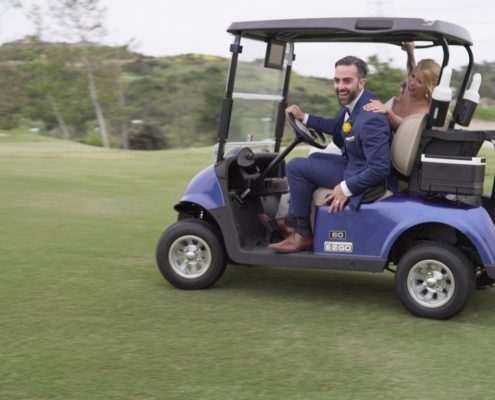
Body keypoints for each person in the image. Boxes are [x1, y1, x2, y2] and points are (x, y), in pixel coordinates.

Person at [268, 56, 392, 253]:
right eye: (337, 80)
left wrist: (346, 188)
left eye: (347, 81)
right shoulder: (353, 104)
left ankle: (301, 234)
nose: (340, 86)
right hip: (354, 164)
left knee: (295, 166)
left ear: (361, 83)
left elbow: (380, 167)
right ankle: (299, 221)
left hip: (362, 175)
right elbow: (336, 128)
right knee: (313, 159)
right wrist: (303, 118)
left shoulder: (371, 118)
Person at [363, 43, 441, 130]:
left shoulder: (425, 111)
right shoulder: (408, 90)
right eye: (412, 76)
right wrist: (410, 51)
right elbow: (411, 67)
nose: (412, 82)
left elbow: (406, 130)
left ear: (427, 88)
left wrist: (388, 112)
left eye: (419, 82)